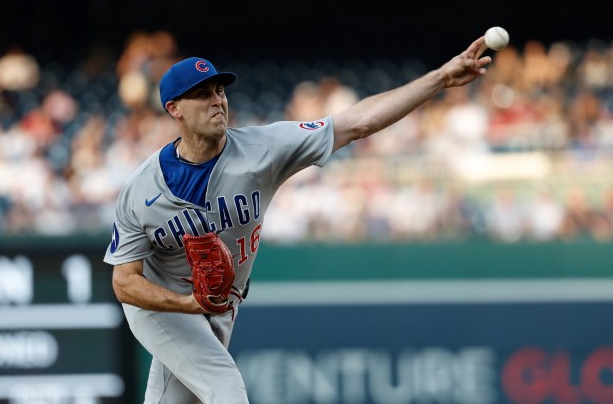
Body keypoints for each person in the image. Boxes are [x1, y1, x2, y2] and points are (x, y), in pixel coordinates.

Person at [103, 36, 492, 403]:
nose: (217, 101)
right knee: (225, 387)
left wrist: (440, 78)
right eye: (202, 94)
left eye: (219, 91)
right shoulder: (141, 190)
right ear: (174, 109)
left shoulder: (263, 149)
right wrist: (187, 304)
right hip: (161, 305)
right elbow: (124, 283)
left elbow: (358, 122)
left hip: (221, 305)